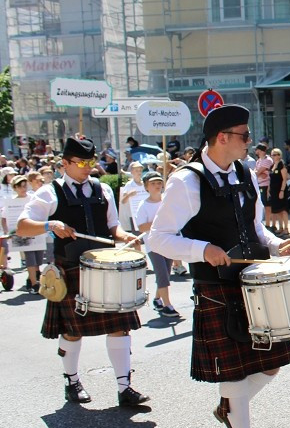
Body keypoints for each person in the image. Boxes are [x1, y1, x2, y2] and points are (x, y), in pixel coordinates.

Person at [147, 105, 290, 428]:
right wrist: (201, 250)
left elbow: (255, 229)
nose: (250, 142)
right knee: (234, 376)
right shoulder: (187, 181)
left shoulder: (245, 172)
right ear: (222, 138)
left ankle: (230, 407)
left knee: (272, 364)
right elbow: (158, 238)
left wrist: (277, 244)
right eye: (244, 136)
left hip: (254, 283)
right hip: (217, 289)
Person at [16, 136, 149, 407]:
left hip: (106, 269)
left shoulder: (103, 190)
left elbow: (114, 228)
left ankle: (125, 387)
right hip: (72, 270)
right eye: (82, 162)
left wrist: (127, 238)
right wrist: (50, 225)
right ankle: (71, 380)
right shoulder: (50, 192)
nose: (89, 167)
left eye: (92, 161)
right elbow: (22, 226)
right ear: (64, 163)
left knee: (121, 328)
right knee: (73, 331)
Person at [135, 171, 180, 319]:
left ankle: (157, 299)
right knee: (162, 274)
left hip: (169, 242)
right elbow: (141, 227)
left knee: (166, 273)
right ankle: (167, 305)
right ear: (146, 186)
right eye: (153, 183)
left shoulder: (167, 201)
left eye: (159, 183)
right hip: (154, 245)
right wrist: (157, 222)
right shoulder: (143, 205)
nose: (157, 186)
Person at [267, 148, 290, 236]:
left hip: (280, 190)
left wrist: (282, 191)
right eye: (272, 154)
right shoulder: (272, 166)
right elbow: (270, 179)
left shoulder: (282, 165)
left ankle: (286, 228)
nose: (274, 156)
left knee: (283, 210)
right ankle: (280, 227)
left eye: (276, 154)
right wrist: (268, 190)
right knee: (277, 210)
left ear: (279, 155)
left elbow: (284, 179)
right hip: (273, 190)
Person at [119, 161, 148, 232]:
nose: (139, 172)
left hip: (146, 213)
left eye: (140, 170)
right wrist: (129, 195)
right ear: (132, 172)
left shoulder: (145, 184)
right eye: (136, 170)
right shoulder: (129, 185)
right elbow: (123, 201)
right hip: (134, 214)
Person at [253, 143, 272, 216]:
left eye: (257, 149)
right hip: (259, 184)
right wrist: (261, 173)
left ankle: (268, 223)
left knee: (267, 205)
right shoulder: (258, 160)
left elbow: (257, 173)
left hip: (266, 185)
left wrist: (259, 173)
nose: (255, 151)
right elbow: (255, 173)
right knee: (262, 204)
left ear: (261, 150)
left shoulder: (268, 160)